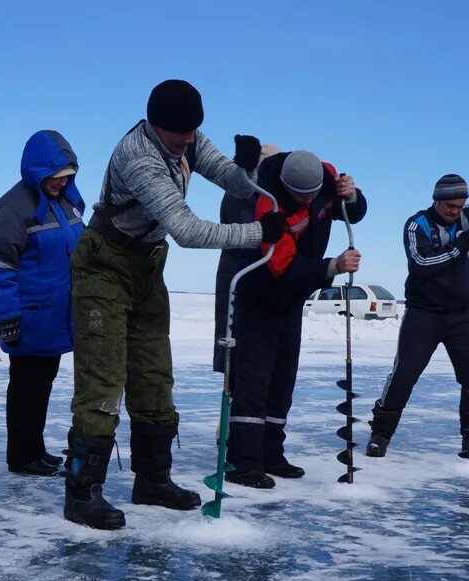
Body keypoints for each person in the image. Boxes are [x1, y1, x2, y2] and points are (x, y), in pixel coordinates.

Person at [63, 79, 286, 530]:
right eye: (179, 134)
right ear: (153, 124)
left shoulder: (187, 135)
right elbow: (187, 230)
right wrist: (259, 235)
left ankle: (153, 480)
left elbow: (231, 181)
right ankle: (82, 493)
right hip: (103, 266)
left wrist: (245, 170)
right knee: (103, 381)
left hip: (147, 267)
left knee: (154, 375)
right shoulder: (138, 156)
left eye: (193, 133)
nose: (188, 142)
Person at [223, 150, 366, 488]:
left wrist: (353, 195)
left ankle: (271, 454)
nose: (310, 200)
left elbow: (354, 213)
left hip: (291, 300)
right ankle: (243, 461)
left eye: (314, 194)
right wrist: (332, 267)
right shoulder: (268, 203)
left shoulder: (328, 177)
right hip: (260, 296)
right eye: (302, 195)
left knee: (283, 379)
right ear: (286, 185)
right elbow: (281, 267)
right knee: (254, 381)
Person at [367, 172, 469, 461]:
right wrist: (458, 247)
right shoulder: (416, 224)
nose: (456, 212)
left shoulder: (468, 217)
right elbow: (422, 263)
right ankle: (380, 435)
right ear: (437, 201)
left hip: (463, 314)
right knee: (404, 375)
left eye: (461, 206)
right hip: (423, 314)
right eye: (451, 206)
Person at [0, 130, 85, 476]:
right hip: (29, 317)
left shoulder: (66, 202)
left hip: (57, 315)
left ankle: (34, 448)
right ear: (38, 172)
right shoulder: (12, 209)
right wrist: (7, 315)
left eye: (67, 176)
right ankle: (22, 457)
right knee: (27, 386)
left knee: (42, 383)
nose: (62, 182)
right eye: (56, 177)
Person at [213, 143, 282, 372]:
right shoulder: (240, 193)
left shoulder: (265, 196)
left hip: (251, 282)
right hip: (237, 279)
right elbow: (247, 237)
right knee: (238, 360)